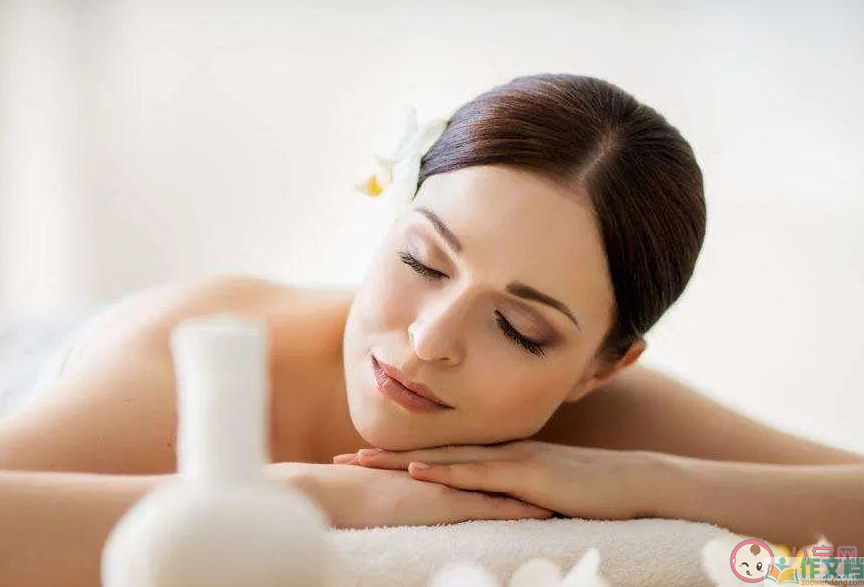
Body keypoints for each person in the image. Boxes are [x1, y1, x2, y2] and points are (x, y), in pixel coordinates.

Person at [1, 73, 862, 587]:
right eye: (422, 260)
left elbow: (847, 548)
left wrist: (645, 480)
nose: (427, 340)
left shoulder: (599, 419)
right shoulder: (192, 360)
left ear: (601, 368)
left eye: (518, 328)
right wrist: (311, 497)